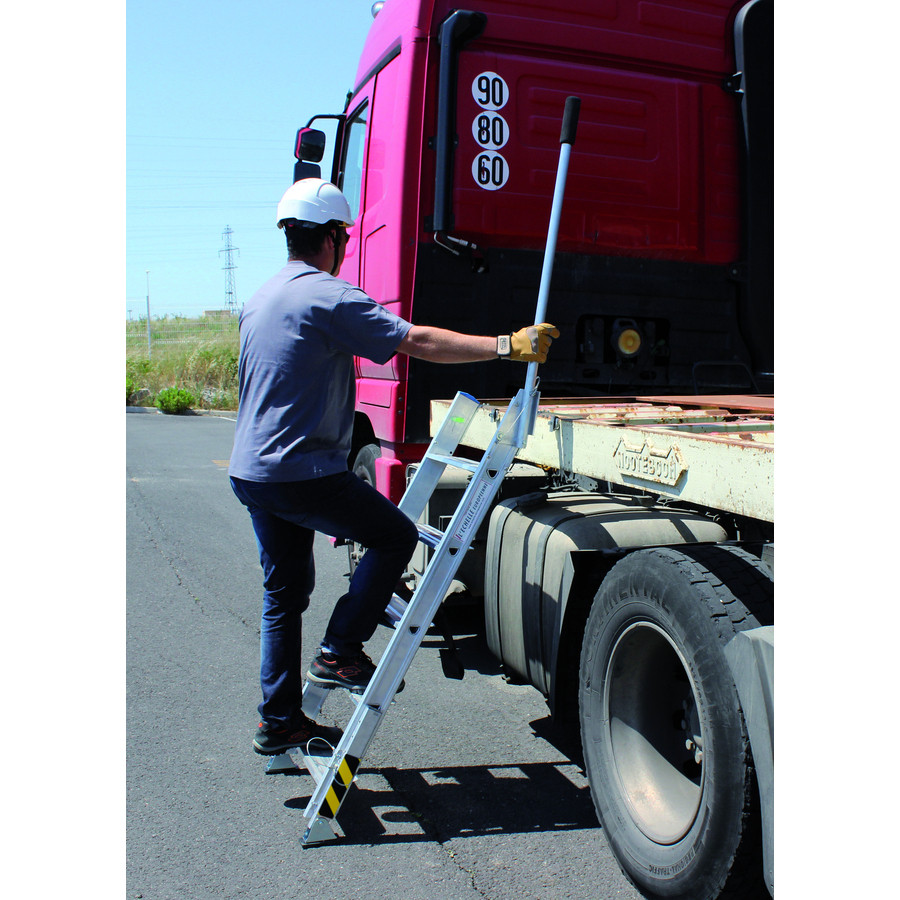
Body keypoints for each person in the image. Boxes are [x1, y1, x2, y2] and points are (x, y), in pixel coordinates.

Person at [229, 178, 559, 756]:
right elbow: (419, 341)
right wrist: (508, 345)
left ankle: (278, 720)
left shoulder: (259, 298)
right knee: (395, 536)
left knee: (283, 593)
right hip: (301, 469)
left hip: (253, 471)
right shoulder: (328, 296)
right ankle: (339, 650)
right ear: (333, 237)